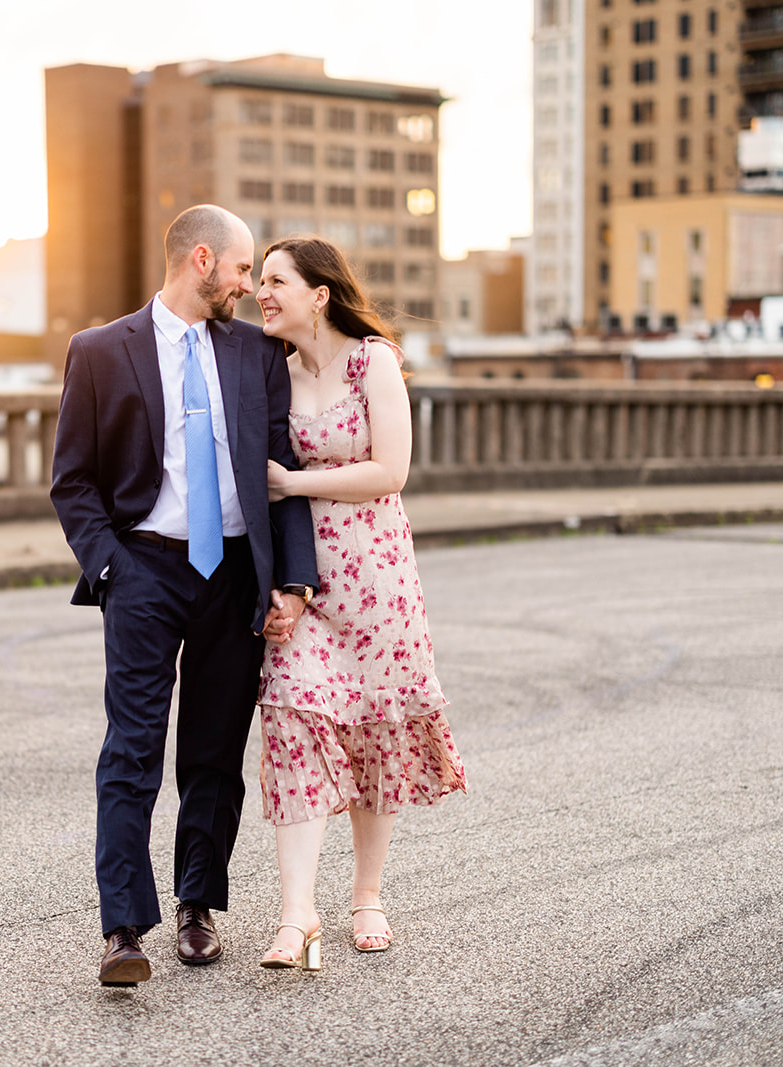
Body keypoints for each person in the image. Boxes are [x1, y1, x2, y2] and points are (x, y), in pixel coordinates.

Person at [50, 205, 320, 987]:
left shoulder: (253, 352)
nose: (248, 286)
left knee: (212, 753)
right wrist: (110, 571)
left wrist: (292, 579)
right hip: (143, 571)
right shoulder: (100, 351)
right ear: (201, 259)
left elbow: (281, 471)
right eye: (241, 270)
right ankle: (123, 928)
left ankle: (199, 906)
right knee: (131, 749)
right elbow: (73, 479)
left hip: (234, 571)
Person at [251, 235, 467, 971]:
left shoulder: (372, 359)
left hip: (376, 576)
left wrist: (296, 483)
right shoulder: (272, 373)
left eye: (276, 279)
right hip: (307, 581)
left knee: (376, 732)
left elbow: (391, 469)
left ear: (320, 293)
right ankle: (296, 915)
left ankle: (367, 895)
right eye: (259, 279)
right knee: (290, 717)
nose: (261, 290)